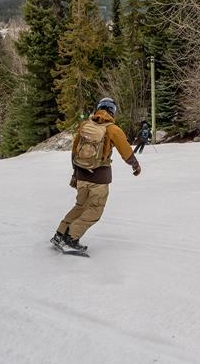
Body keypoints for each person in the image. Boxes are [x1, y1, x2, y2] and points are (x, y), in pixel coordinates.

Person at [52, 97, 141, 253]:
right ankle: (71, 238)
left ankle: (60, 234)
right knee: (95, 210)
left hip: (81, 175)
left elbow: (74, 151)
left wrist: (75, 174)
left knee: (80, 206)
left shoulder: (85, 125)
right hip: (99, 178)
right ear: (112, 111)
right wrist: (135, 165)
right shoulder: (113, 129)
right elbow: (126, 151)